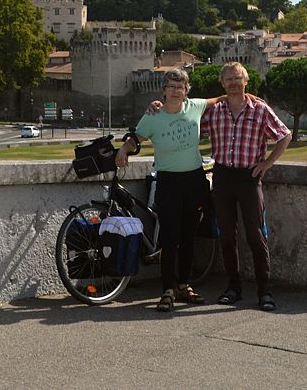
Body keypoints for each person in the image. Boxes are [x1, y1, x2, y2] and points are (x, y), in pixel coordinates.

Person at [116, 68, 222, 312]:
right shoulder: (153, 115)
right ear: (163, 90)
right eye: (171, 87)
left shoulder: (194, 106)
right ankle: (167, 290)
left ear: (187, 91)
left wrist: (249, 97)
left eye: (181, 87)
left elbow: (220, 99)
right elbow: (136, 138)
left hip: (194, 181)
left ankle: (184, 285)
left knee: (188, 237)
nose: (176, 91)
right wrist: (123, 150)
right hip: (169, 182)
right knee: (170, 238)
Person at [204, 62, 291, 312]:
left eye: (237, 78)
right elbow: (188, 117)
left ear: (246, 81)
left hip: (248, 178)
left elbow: (284, 135)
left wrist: (267, 163)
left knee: (256, 235)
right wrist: (157, 107)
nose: (233, 82)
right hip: (221, 176)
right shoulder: (214, 112)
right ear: (222, 83)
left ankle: (265, 291)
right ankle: (234, 287)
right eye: (228, 79)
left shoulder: (260, 110)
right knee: (227, 235)